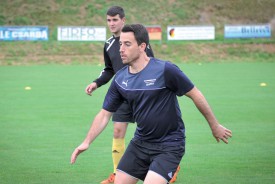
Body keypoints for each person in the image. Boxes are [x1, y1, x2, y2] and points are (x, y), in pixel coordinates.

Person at [71, 24, 232, 184]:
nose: (121, 49)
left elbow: (195, 94)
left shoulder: (165, 70)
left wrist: (214, 125)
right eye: (120, 44)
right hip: (140, 144)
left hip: (169, 145)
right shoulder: (120, 79)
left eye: (127, 44)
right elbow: (104, 114)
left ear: (142, 46)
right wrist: (86, 141)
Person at [83, 6, 181, 184]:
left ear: (123, 20)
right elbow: (109, 69)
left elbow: (149, 64)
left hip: (143, 93)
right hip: (122, 93)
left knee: (151, 131)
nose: (111, 23)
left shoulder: (137, 40)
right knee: (118, 130)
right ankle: (116, 173)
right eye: (108, 20)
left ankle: (167, 164)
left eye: (115, 19)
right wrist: (96, 83)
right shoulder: (109, 44)